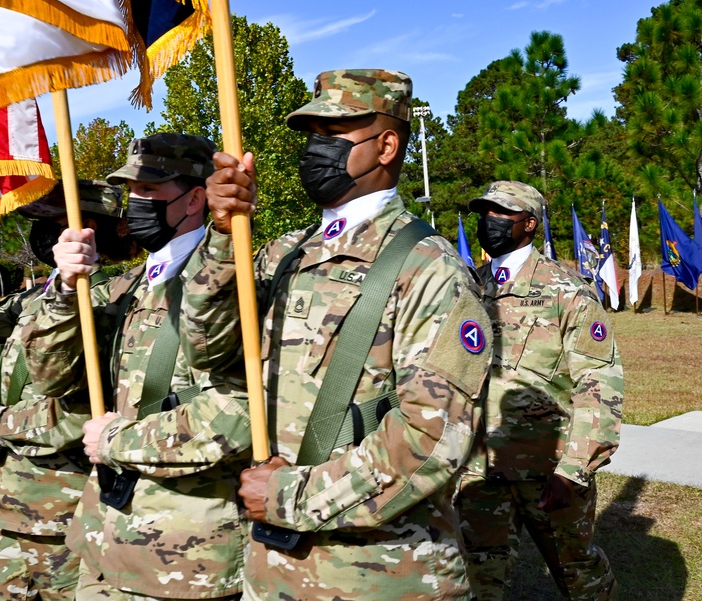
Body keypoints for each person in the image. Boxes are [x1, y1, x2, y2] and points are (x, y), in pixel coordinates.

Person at [179, 69, 492, 600]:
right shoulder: (285, 252)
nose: (313, 151)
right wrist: (223, 236)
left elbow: (433, 436)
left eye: (333, 135)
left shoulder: (428, 266)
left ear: (386, 144)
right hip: (273, 569)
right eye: (311, 137)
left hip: (379, 573)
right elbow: (207, 348)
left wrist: (290, 497)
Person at [22, 133, 251, 601]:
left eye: (150, 191)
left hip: (182, 552)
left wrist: (116, 440)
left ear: (195, 198)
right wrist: (65, 290)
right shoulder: (125, 288)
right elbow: (49, 376)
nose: (136, 203)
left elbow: (236, 416)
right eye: (132, 191)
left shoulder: (239, 283)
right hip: (105, 536)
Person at [0, 179, 131, 601]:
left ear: (85, 227)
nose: (40, 235)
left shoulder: (117, 299)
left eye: (48, 223)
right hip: (12, 498)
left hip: (68, 505)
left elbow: (87, 412)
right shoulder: (33, 300)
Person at [458, 181, 623, 601]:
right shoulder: (468, 288)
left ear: (529, 224)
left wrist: (574, 469)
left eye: (501, 214)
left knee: (576, 570)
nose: (488, 223)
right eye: (484, 214)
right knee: (478, 574)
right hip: (479, 467)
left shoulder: (566, 291)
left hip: (548, 468)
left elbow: (598, 384)